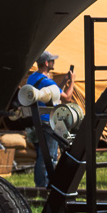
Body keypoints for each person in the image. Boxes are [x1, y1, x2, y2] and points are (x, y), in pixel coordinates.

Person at [23, 51, 61, 194]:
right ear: (46, 63)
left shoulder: (32, 78)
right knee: (50, 155)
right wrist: (73, 81)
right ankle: (45, 186)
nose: (53, 63)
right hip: (48, 121)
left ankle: (39, 185)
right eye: (52, 60)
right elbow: (66, 96)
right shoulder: (47, 81)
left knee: (41, 154)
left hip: (36, 121)